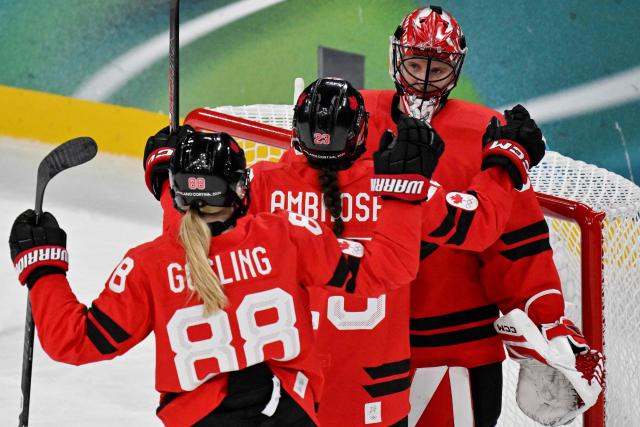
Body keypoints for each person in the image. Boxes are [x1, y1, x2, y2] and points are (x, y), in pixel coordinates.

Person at [142, 76, 547, 426]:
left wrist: (167, 176)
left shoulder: (264, 186)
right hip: (375, 397)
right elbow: (478, 227)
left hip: (290, 399)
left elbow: (192, 236)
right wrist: (505, 163)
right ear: (361, 132)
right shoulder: (397, 188)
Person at [9, 131, 426, 427]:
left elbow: (74, 341)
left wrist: (43, 267)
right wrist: (404, 196)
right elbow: (387, 267)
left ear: (175, 194)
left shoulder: (149, 266)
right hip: (288, 415)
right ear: (241, 189)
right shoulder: (286, 236)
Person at [358, 5, 603, 426]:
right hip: (362, 347)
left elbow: (517, 244)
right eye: (416, 63)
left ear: (455, 70)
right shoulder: (357, 117)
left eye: (437, 69)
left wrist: (546, 318)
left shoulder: (485, 130)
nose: (423, 78)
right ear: (397, 59)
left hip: (456, 352)